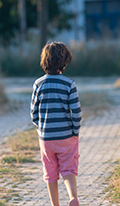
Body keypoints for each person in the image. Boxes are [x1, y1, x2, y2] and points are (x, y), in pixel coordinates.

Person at [30, 42, 82, 206]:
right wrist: (75, 131)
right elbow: (77, 112)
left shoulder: (38, 84)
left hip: (46, 138)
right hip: (66, 136)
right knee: (68, 169)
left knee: (50, 173)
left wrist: (41, 129)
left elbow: (34, 113)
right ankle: (72, 197)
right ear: (64, 62)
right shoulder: (69, 84)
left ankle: (55, 204)